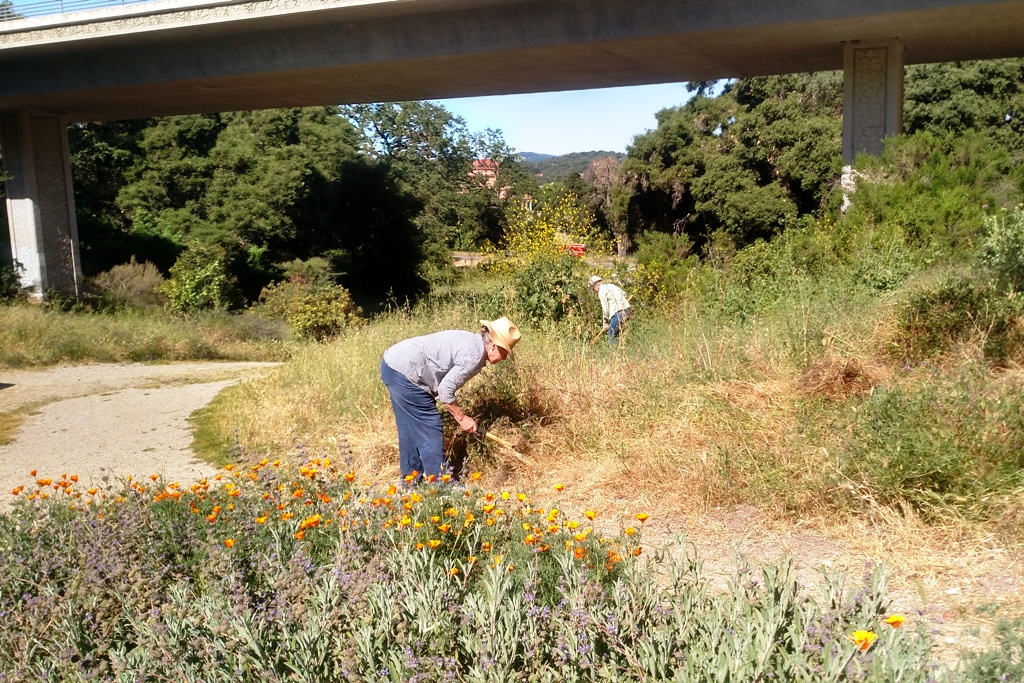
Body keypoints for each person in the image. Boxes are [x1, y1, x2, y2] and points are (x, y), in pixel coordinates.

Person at [380, 317, 521, 483]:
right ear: (493, 346)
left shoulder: (472, 343)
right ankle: (441, 485)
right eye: (505, 352)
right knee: (430, 425)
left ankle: (411, 481)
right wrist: (462, 418)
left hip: (392, 365)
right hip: (405, 372)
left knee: (409, 429)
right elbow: (445, 390)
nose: (504, 358)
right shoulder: (473, 356)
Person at [588, 275, 632, 345]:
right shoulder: (611, 285)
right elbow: (624, 294)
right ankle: (623, 350)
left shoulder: (601, 292)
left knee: (611, 334)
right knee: (620, 333)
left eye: (593, 289)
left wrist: (605, 323)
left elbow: (605, 309)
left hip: (618, 314)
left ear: (595, 285)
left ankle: (615, 354)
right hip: (628, 311)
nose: (594, 291)